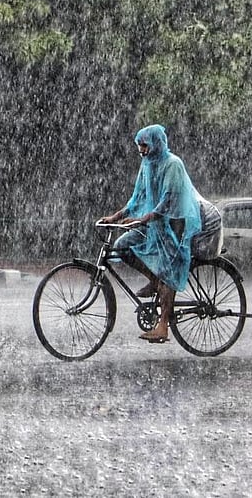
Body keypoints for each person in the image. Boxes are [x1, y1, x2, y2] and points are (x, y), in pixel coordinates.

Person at [100, 124, 204, 343]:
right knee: (122, 246)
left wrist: (141, 219)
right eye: (139, 146)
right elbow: (137, 197)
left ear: (157, 143)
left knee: (169, 271)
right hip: (153, 223)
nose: (142, 150)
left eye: (145, 145)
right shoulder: (147, 165)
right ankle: (154, 279)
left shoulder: (172, 164)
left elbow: (168, 201)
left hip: (175, 225)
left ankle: (163, 325)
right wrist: (115, 217)